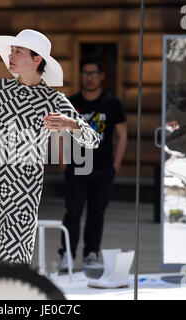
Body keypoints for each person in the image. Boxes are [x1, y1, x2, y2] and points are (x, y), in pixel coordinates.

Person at [0, 29, 100, 275]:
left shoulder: (53, 99)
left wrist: (71, 124)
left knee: (12, 267)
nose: (10, 55)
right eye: (11, 51)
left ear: (36, 59)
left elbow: (93, 140)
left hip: (23, 197)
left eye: (18, 51)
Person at [58, 55, 127, 270]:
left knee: (97, 213)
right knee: (73, 212)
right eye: (86, 74)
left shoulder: (112, 103)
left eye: (93, 74)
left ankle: (91, 254)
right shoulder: (72, 102)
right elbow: (61, 132)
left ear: (101, 76)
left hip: (104, 168)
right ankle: (67, 254)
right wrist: (63, 160)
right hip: (77, 167)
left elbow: (122, 134)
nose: (89, 78)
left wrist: (116, 164)